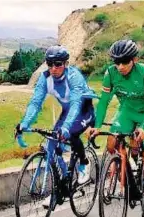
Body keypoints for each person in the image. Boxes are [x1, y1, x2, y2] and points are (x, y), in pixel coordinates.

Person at [15, 45, 97, 207]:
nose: (53, 68)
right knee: (51, 143)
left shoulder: (74, 76)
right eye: (49, 64)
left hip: (83, 110)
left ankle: (84, 164)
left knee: (71, 133)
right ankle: (59, 188)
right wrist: (24, 123)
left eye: (58, 64)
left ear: (66, 64)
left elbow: (75, 104)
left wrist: (66, 127)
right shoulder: (45, 78)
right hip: (67, 112)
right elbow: (35, 103)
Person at [87, 39, 144, 217]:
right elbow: (104, 102)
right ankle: (125, 172)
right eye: (116, 62)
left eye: (124, 62)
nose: (120, 66)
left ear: (134, 59)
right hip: (126, 111)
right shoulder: (110, 73)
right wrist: (96, 126)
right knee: (112, 142)